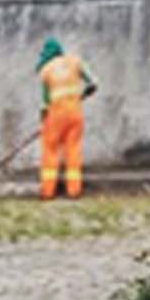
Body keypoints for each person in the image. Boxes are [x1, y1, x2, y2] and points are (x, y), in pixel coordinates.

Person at [35, 38, 97, 200]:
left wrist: (43, 120)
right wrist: (85, 92)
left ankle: (48, 192)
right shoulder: (74, 62)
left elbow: (45, 102)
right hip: (75, 113)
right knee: (73, 150)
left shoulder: (46, 70)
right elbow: (93, 83)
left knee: (50, 150)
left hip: (56, 114)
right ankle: (74, 191)